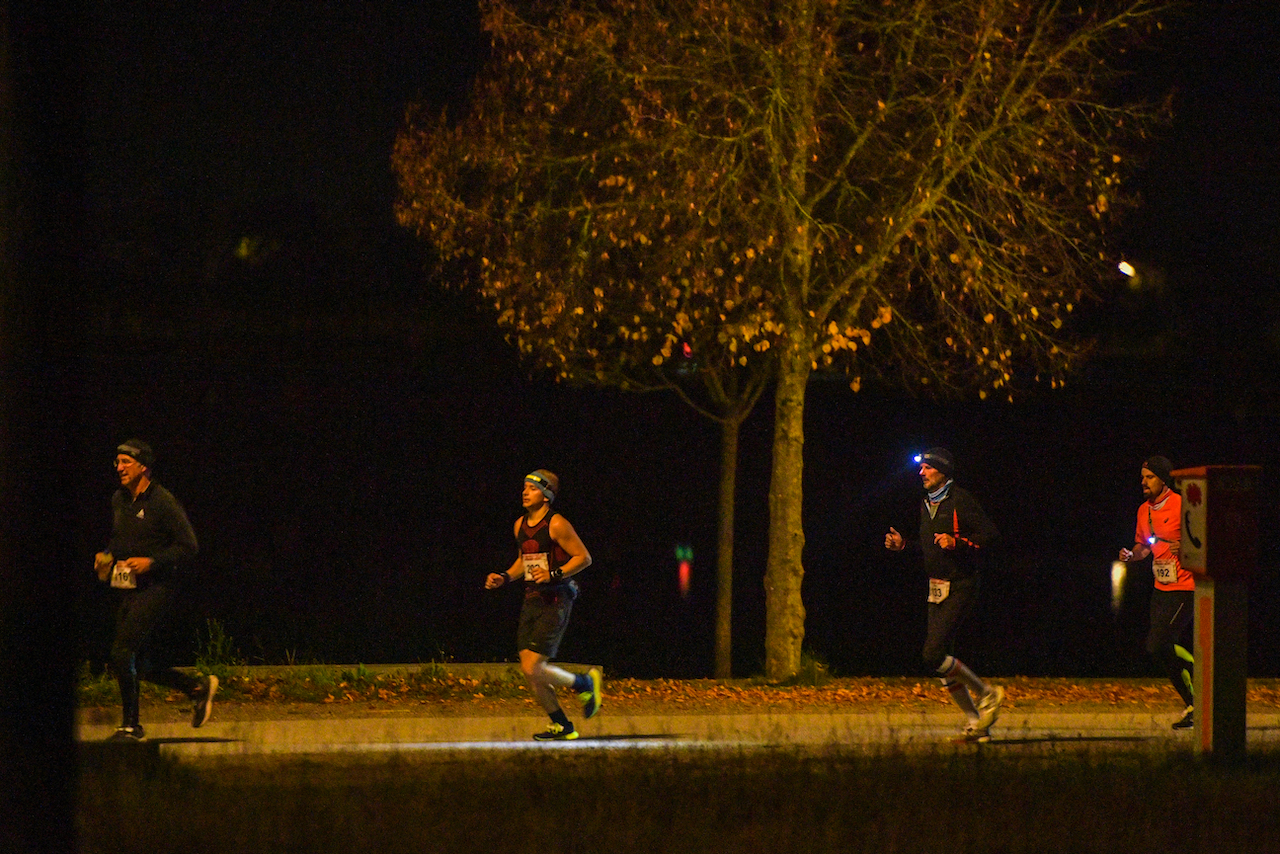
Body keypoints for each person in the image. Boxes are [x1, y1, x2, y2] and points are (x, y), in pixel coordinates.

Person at [93, 439, 216, 741]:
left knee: (122, 652)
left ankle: (131, 726)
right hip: (129, 588)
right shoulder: (119, 500)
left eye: (125, 462)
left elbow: (189, 546)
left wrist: (152, 561)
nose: (119, 468)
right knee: (141, 666)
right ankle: (197, 688)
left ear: (143, 466)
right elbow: (121, 540)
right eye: (117, 462)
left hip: (159, 587)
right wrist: (106, 557)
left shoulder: (162, 501)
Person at [885, 447, 1004, 742]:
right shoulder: (926, 503)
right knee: (941, 664)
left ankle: (987, 693)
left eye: (927, 467)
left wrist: (958, 542)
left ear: (943, 471)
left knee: (932, 654)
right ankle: (977, 724)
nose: (921, 472)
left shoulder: (960, 500)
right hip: (936, 587)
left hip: (962, 583)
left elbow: (990, 536)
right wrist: (904, 546)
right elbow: (930, 548)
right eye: (921, 467)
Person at [486, 470, 602, 740]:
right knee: (530, 672)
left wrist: (554, 574)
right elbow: (523, 561)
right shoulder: (519, 524)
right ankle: (562, 725)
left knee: (532, 667)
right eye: (524, 487)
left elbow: (584, 558)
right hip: (532, 598)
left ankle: (583, 683)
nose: (525, 492)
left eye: (532, 488)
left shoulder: (557, 524)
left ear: (547, 493)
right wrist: (504, 577)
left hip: (557, 597)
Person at [1118, 455, 1194, 730]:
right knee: (1155, 647)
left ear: (1163, 479)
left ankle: (1201, 678)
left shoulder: (1182, 503)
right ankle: (1194, 701)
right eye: (1142, 477)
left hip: (1186, 586)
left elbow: (1200, 538)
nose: (1143, 482)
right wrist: (1131, 555)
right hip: (1160, 587)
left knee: (1162, 641)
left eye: (1149, 477)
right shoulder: (1143, 510)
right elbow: (1144, 547)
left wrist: (1184, 546)